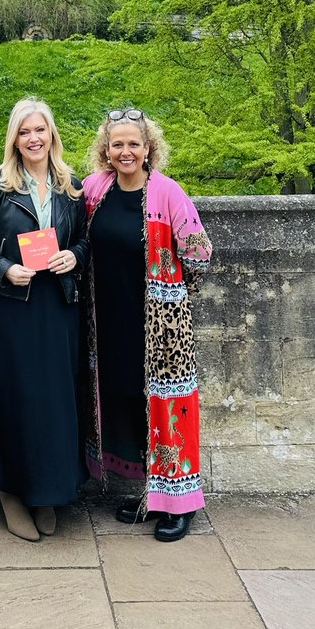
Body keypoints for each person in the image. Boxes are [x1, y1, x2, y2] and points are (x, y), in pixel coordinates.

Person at [82, 109, 212, 543]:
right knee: (130, 403)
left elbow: (198, 254)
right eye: (117, 144)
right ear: (106, 150)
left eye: (133, 144)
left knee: (170, 408)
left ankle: (181, 503)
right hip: (111, 320)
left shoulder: (168, 193)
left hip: (160, 325)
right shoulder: (96, 190)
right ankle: (152, 494)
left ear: (148, 148)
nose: (125, 151)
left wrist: (170, 291)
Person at [0, 98, 88, 541]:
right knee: (18, 396)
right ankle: (13, 493)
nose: (33, 139)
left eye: (40, 130)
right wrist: (3, 267)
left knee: (56, 398)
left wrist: (71, 257)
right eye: (25, 132)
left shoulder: (69, 185)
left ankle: (47, 493)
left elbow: (84, 242)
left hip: (57, 303)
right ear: (14, 139)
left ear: (51, 135)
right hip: (13, 304)